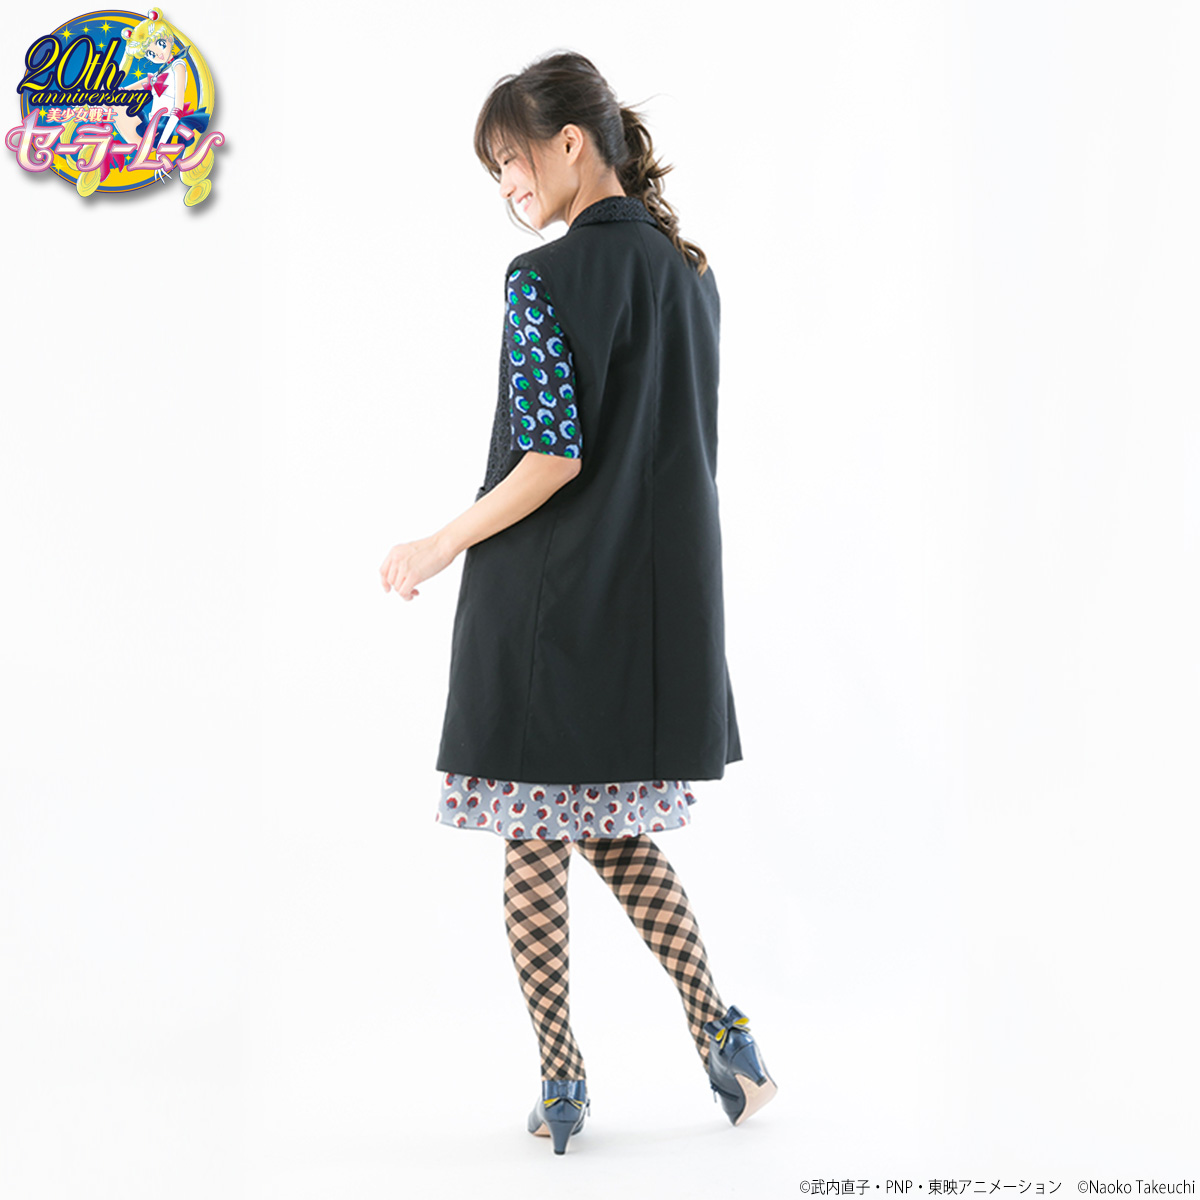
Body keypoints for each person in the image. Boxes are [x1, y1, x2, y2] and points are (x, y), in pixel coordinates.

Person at [379, 50, 777, 1155]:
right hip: (646, 609)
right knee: (602, 826)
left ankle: (562, 1082)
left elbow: (552, 454)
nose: (509, 186)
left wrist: (439, 542)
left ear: (569, 143)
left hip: (549, 602)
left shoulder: (542, 279)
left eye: (511, 160)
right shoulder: (692, 275)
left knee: (533, 840)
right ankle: (725, 1037)